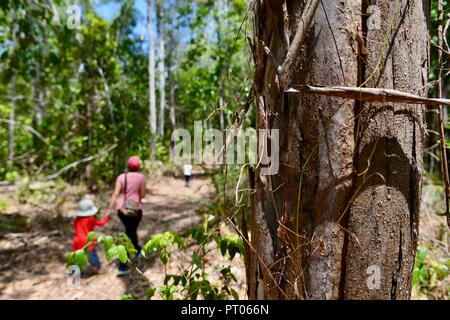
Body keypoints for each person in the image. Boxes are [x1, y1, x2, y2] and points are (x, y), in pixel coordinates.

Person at [107, 155, 146, 276]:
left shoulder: (121, 177)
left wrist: (109, 210)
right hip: (135, 210)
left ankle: (137, 249)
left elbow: (115, 194)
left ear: (128, 166)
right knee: (130, 233)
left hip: (122, 210)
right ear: (138, 166)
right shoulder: (141, 177)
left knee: (130, 231)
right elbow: (143, 194)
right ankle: (122, 264)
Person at [72, 198, 110, 273]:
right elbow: (101, 223)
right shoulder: (90, 219)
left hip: (76, 240)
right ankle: (99, 268)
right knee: (92, 255)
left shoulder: (77, 219)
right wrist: (107, 218)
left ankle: (74, 273)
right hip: (86, 241)